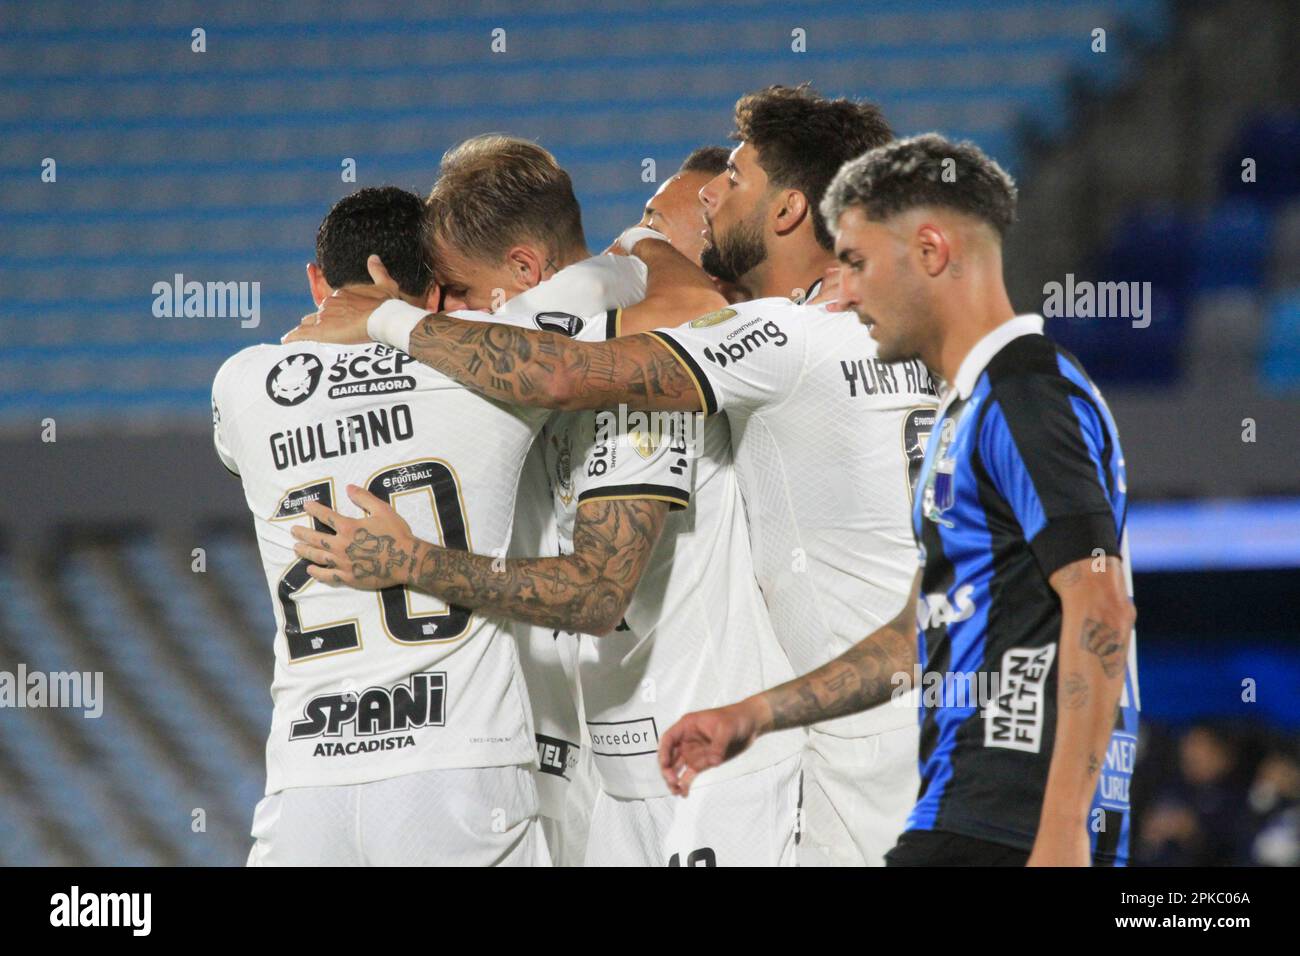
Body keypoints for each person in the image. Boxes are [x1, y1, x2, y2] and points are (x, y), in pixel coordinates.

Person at [287, 86, 938, 866]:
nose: (699, 214)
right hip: (767, 740)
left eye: (727, 185)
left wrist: (389, 321)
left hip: (752, 765)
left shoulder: (734, 347)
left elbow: (570, 387)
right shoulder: (891, 332)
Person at [663, 134, 1141, 866]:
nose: (844, 291)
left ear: (929, 251)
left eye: (855, 262)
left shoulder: (1025, 393)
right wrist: (755, 714)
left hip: (1013, 822)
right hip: (965, 808)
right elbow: (911, 637)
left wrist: (1062, 833)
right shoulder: (971, 407)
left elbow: (1100, 603)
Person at [213, 186, 555, 865]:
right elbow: (571, 366)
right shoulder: (488, 375)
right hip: (459, 765)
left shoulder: (242, 383)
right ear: (436, 292)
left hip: (307, 784)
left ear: (316, 282)